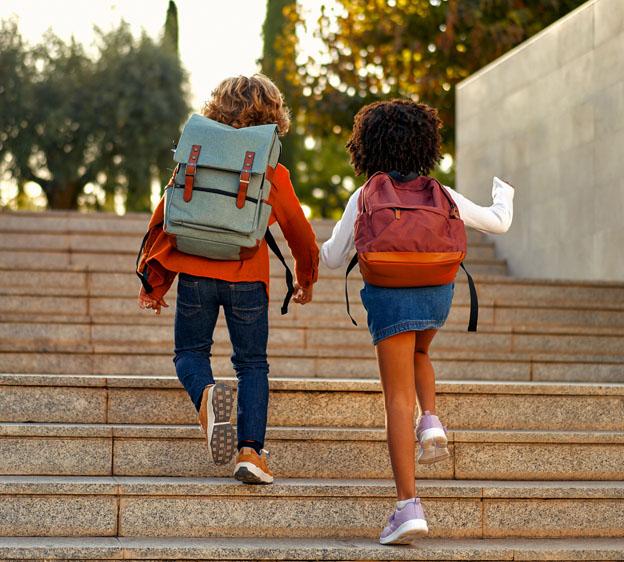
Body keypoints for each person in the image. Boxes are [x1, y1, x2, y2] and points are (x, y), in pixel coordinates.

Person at [321, 99, 514, 544]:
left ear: (367, 147)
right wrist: (504, 191)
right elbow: (498, 223)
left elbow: (333, 259)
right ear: (426, 146)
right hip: (436, 291)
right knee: (421, 352)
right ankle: (431, 418)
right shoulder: (439, 192)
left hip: (389, 295)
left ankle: (408, 506)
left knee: (395, 401)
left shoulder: (367, 193)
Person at [137, 74, 318, 485]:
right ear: (274, 115)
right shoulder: (274, 171)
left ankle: (206, 396)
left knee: (189, 354)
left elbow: (165, 216)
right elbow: (301, 233)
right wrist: (306, 276)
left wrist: (154, 281)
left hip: (196, 273)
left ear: (217, 108)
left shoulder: (195, 158)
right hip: (249, 279)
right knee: (252, 364)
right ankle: (251, 453)